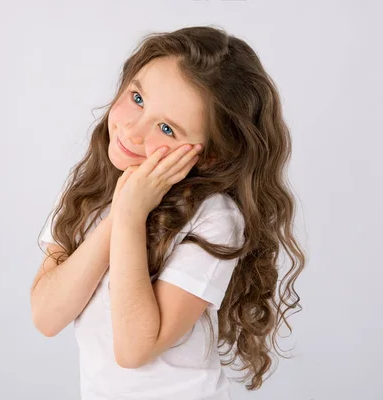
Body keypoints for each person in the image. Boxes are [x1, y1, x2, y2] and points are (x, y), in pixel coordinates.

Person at [30, 25, 305, 400]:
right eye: (138, 98)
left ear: (208, 155)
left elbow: (134, 349)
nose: (133, 130)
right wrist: (119, 212)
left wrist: (130, 217)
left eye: (166, 128)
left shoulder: (215, 219)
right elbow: (47, 317)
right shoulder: (91, 187)